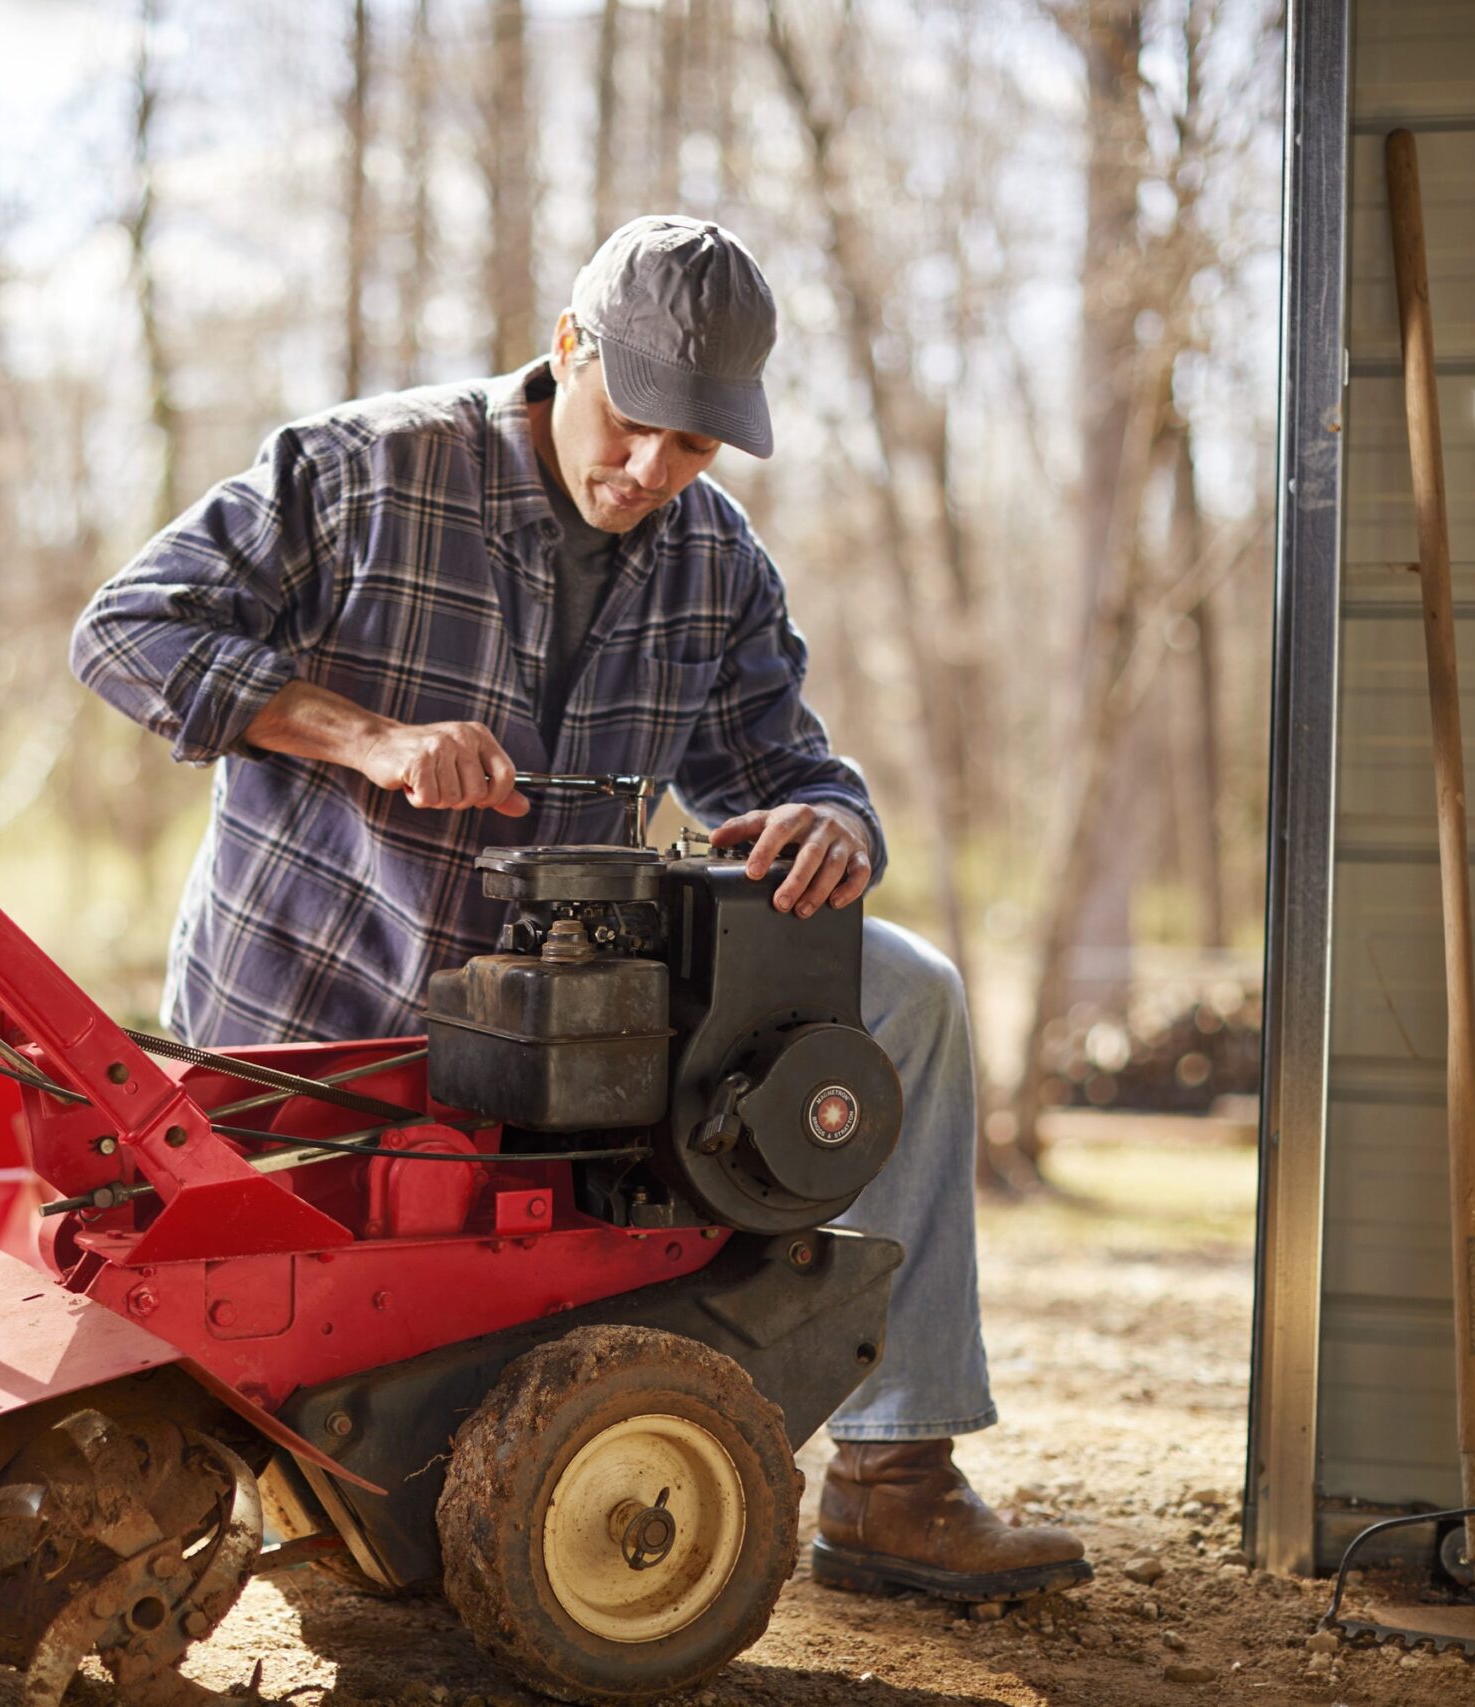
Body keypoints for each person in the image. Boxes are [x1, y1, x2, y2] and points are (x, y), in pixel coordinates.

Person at [71, 215, 1088, 1604]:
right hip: (314, 1028)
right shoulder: (361, 468)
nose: (650, 472)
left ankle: (894, 1479)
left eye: (695, 447)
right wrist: (363, 734)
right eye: (633, 425)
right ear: (567, 352)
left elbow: (787, 765)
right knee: (330, 1448)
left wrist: (827, 822)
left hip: (569, 1034)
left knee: (910, 995)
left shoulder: (711, 558)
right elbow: (130, 629)